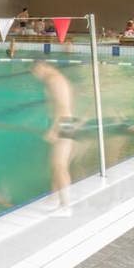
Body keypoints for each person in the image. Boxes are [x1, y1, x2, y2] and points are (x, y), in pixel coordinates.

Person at [32, 60, 78, 208]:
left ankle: (65, 204)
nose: (35, 75)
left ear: (41, 66)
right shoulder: (58, 77)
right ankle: (54, 197)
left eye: (35, 71)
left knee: (59, 165)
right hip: (66, 123)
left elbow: (63, 108)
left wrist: (53, 130)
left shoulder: (53, 80)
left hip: (63, 124)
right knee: (56, 165)